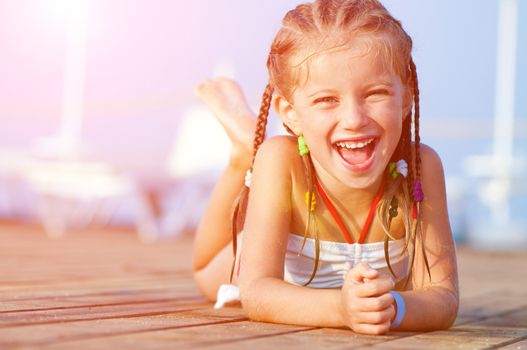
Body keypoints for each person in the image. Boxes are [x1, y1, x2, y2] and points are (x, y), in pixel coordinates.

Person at [192, 0, 459, 335]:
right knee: (207, 273)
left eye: (374, 94)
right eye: (326, 100)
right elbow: (256, 292)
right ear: (290, 113)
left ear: (405, 98)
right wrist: (341, 309)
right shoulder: (282, 162)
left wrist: (395, 307)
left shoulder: (419, 169)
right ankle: (245, 153)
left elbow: (443, 297)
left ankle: (251, 149)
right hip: (262, 251)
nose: (354, 120)